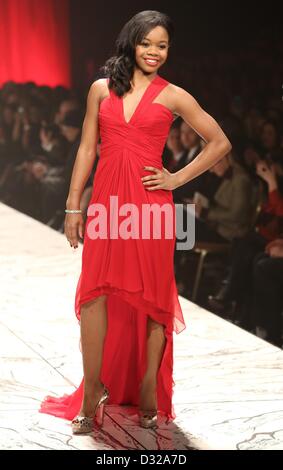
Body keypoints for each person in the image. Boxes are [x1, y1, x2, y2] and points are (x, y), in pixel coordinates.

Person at [38, 10, 231, 433]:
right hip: (107, 206)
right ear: (131, 43)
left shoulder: (174, 95)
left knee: (154, 297)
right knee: (93, 294)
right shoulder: (100, 90)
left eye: (163, 46)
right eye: (148, 44)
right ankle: (93, 390)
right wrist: (74, 206)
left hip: (150, 207)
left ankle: (148, 388)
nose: (155, 52)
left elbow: (220, 142)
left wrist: (176, 177)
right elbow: (87, 148)